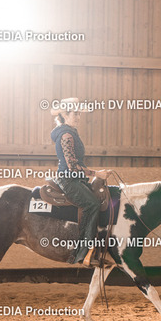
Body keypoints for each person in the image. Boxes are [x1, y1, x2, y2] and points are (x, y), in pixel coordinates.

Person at [50, 98, 111, 264]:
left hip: (74, 178)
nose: (78, 117)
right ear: (65, 115)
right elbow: (72, 166)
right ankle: (83, 253)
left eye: (79, 114)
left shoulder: (70, 133)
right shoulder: (66, 135)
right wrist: (96, 173)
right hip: (68, 179)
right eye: (75, 114)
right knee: (92, 204)